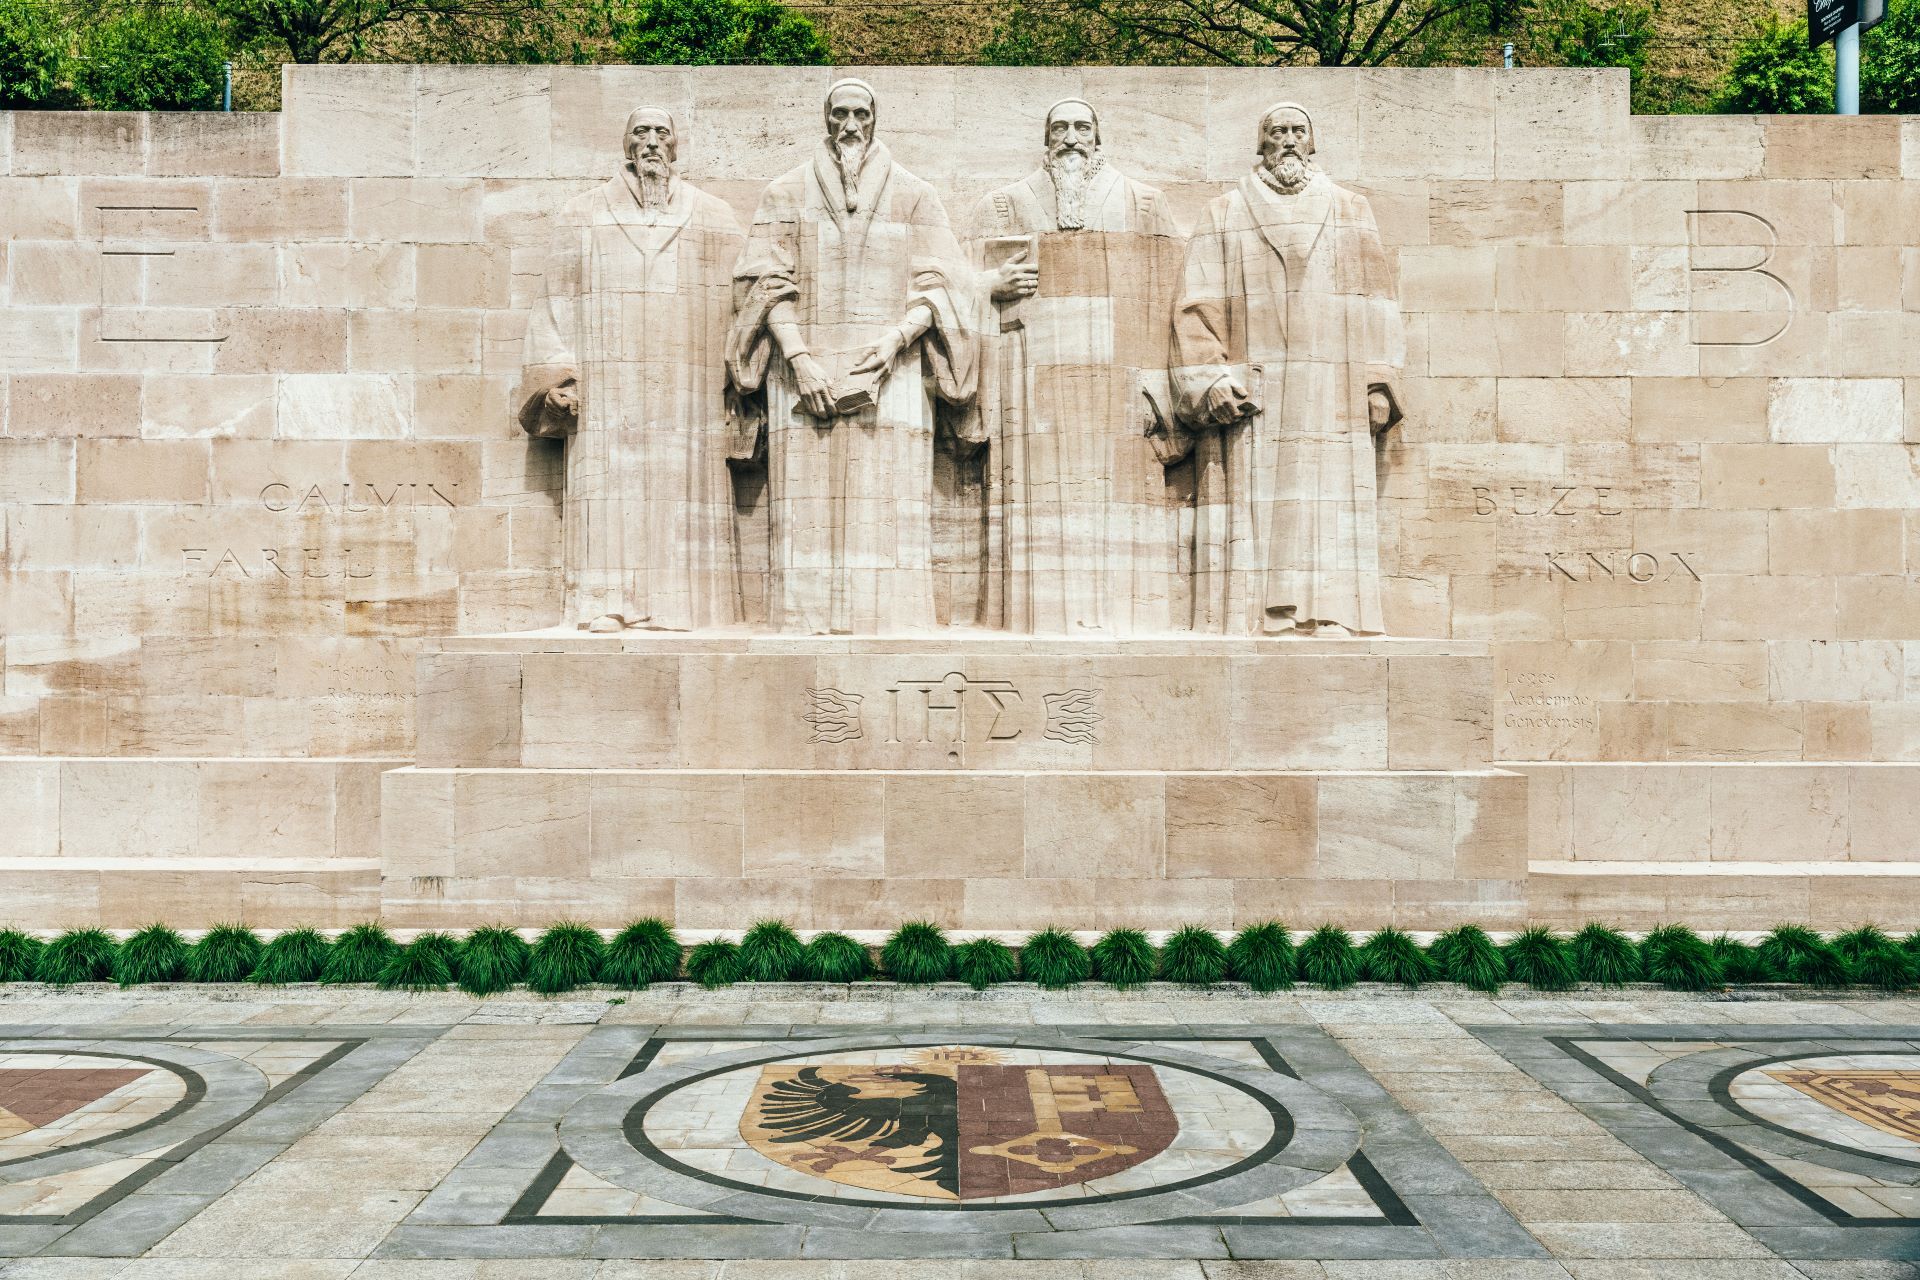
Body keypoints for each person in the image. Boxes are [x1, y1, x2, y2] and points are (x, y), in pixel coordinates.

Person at [1170, 102, 1405, 635]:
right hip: (1257, 388)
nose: (1290, 141)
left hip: (1333, 384)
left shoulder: (1350, 209)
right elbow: (1195, 305)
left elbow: (1377, 301)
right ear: (1262, 144)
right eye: (1278, 132)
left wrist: (1379, 384)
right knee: (1257, 496)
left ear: (1313, 143)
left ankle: (1334, 611)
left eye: (1300, 131)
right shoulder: (1224, 211)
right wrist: (1211, 378)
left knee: (1331, 494)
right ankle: (1259, 614)